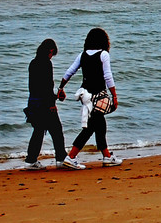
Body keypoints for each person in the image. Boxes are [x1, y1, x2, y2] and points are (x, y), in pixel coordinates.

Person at [58, 27, 122, 169]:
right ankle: (71, 157)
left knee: (99, 124)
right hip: (98, 95)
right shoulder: (103, 54)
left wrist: (61, 88)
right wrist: (114, 96)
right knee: (91, 127)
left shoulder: (82, 55)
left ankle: (106, 156)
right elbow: (108, 76)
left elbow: (70, 72)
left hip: (85, 95)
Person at [22, 39, 67, 170]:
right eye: (52, 54)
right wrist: (52, 103)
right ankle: (61, 159)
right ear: (51, 51)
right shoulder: (47, 64)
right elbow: (47, 86)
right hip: (45, 104)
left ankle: (31, 160)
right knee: (57, 131)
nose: (52, 57)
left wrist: (55, 97)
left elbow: (35, 87)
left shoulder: (33, 63)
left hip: (34, 103)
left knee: (38, 131)